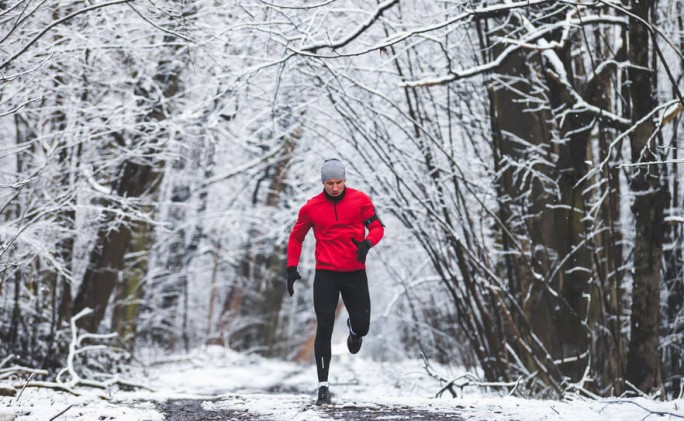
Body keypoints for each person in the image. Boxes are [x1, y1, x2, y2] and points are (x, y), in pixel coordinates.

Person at [286, 158, 385, 406]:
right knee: (325, 327)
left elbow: (377, 227)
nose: (335, 187)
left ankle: (354, 330)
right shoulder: (311, 207)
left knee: (362, 326)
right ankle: (323, 387)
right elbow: (296, 237)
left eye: (339, 182)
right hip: (326, 275)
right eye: (330, 183)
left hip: (354, 272)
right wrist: (291, 267)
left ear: (344, 180)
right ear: (323, 183)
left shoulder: (360, 200)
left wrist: (368, 243)